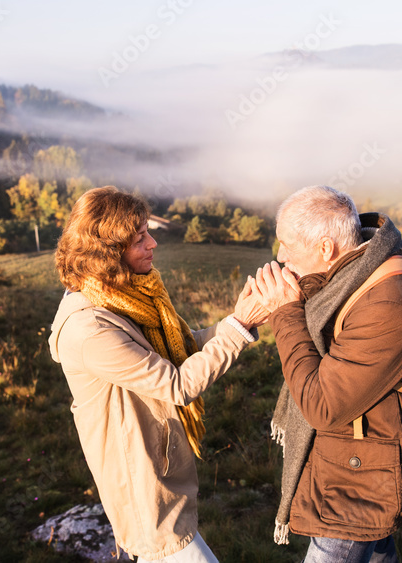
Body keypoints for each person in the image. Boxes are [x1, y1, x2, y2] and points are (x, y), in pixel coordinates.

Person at [48, 186, 268, 562]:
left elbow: (180, 347)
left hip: (160, 473)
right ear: (108, 254)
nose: (152, 244)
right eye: (139, 239)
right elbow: (176, 384)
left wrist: (238, 320)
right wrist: (240, 327)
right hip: (143, 491)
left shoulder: (119, 296)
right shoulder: (90, 330)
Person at [252, 185, 402, 563]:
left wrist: (285, 312)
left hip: (360, 482)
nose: (281, 256)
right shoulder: (355, 273)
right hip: (355, 457)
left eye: (287, 245)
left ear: (325, 248)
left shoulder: (390, 304)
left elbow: (322, 405)